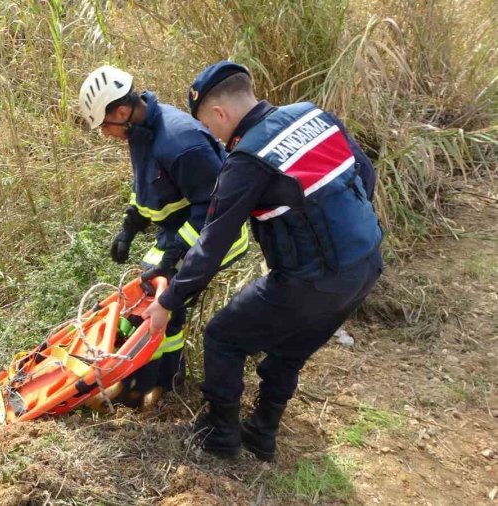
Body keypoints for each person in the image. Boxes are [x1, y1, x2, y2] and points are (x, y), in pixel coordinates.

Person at [142, 61, 383, 460]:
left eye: (208, 126)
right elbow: (365, 175)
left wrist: (168, 302)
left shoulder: (246, 160)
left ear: (219, 114)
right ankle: (262, 432)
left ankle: (221, 435)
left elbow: (212, 245)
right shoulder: (313, 115)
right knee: (290, 348)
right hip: (366, 264)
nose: (213, 137)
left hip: (312, 281)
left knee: (223, 336)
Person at [78, 65, 249, 406]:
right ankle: (138, 373)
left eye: (104, 126)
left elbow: (214, 211)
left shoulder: (180, 142)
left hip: (218, 234)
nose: (105, 134)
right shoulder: (141, 133)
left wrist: (172, 261)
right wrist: (130, 227)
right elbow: (147, 187)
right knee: (141, 293)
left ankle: (162, 384)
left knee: (166, 299)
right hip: (181, 229)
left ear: (122, 111)